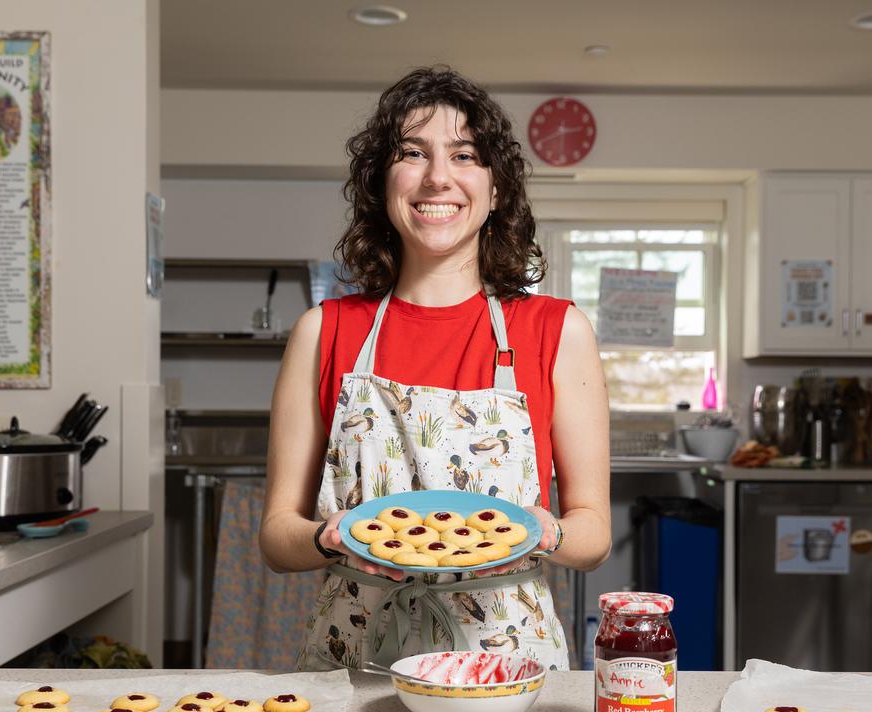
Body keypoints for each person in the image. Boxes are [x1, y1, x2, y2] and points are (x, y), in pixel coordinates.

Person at [260, 66, 611, 671]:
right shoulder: (323, 331)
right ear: (382, 183)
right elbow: (275, 537)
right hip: (354, 664)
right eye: (412, 152)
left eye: (465, 154)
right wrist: (328, 537)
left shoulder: (557, 331)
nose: (438, 177)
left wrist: (539, 531)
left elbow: (594, 535)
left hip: (508, 665)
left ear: (496, 189)